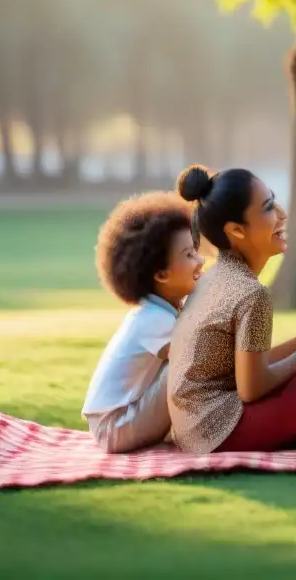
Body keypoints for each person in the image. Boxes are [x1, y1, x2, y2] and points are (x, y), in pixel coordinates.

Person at [168, 165, 296, 454]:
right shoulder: (251, 294)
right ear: (236, 230)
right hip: (218, 434)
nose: (282, 214)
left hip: (190, 430)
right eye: (268, 208)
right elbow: (252, 387)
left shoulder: (213, 276)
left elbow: (246, 369)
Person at [82, 192, 205, 453]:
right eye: (189, 255)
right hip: (115, 427)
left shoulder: (159, 312)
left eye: (196, 251)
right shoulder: (155, 319)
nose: (201, 260)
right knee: (192, 357)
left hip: (121, 421)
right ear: (161, 274)